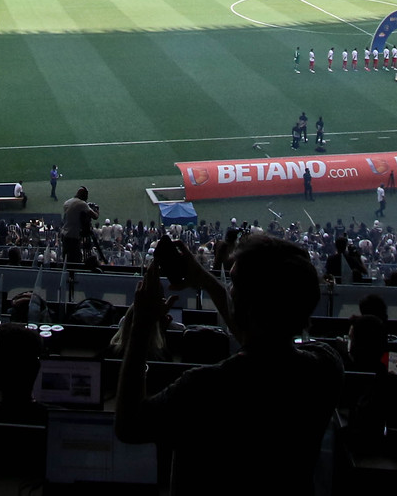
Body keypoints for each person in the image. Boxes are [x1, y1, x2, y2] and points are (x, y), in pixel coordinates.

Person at [116, 233, 341, 495]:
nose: (230, 290)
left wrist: (142, 324)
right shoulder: (326, 367)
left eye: (234, 283)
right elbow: (264, 340)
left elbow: (129, 426)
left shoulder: (204, 388)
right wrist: (205, 281)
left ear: (250, 306)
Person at [61, 187, 99, 265]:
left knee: (67, 258)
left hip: (65, 234)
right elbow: (95, 216)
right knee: (75, 259)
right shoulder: (81, 204)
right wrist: (97, 209)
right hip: (73, 235)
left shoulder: (67, 202)